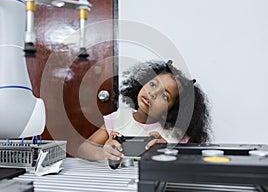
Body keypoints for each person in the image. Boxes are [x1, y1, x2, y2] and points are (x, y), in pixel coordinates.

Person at [77, 60, 211, 161]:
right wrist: (102, 152)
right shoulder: (119, 118)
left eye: (164, 96)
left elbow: (193, 161)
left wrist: (169, 150)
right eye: (152, 84)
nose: (152, 93)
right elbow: (83, 149)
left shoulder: (174, 134)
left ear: (172, 111)